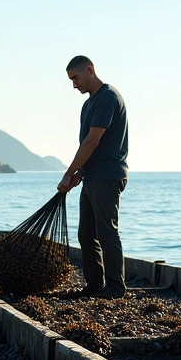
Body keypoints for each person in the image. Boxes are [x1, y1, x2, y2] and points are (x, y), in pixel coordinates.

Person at [56, 55, 129, 299]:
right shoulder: (89, 104)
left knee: (107, 232)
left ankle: (116, 288)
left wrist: (68, 173)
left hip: (107, 176)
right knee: (86, 234)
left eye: (75, 78)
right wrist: (79, 173)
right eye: (71, 80)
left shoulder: (108, 97)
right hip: (91, 177)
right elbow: (90, 146)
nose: (74, 84)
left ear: (90, 70)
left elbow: (93, 140)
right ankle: (94, 285)